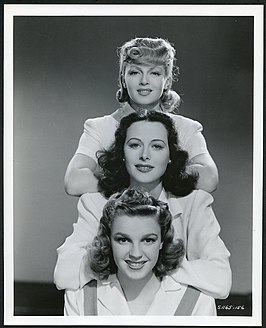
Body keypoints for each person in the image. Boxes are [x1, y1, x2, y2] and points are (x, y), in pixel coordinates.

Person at [54, 111, 231, 299]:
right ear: (122, 152)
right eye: (135, 145)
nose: (145, 155)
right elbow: (64, 273)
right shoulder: (94, 202)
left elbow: (220, 279)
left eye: (156, 146)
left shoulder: (195, 203)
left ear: (171, 155)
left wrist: (145, 261)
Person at [64, 37, 218, 196]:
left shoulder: (187, 128)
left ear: (167, 81)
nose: (144, 81)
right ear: (123, 79)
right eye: (135, 72)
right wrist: (142, 174)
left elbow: (210, 178)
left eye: (155, 73)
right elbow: (74, 182)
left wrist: (139, 172)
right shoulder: (99, 127)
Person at [64, 188, 217, 316]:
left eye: (148, 240)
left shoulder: (198, 302)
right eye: (123, 240)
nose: (135, 253)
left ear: (162, 241)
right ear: (109, 240)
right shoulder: (80, 298)